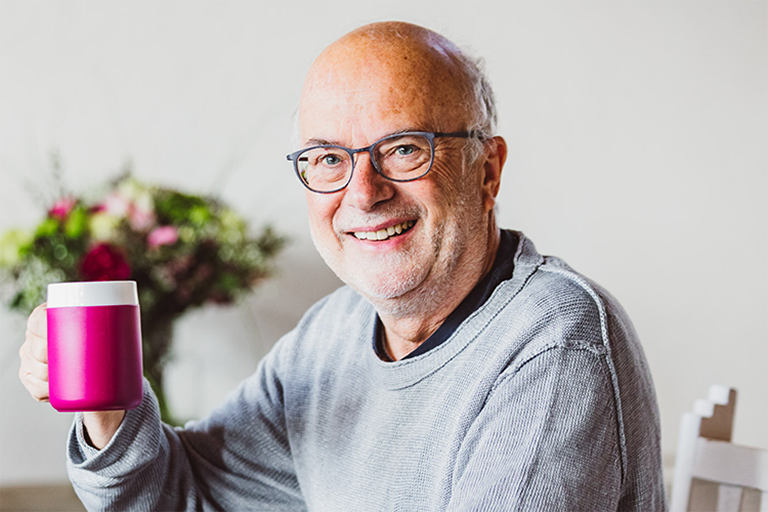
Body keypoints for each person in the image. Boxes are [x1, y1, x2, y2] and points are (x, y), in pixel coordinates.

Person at [18, 21, 667, 511]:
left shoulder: (554, 344)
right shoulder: (330, 337)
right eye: (329, 159)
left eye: (404, 149)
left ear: (487, 170)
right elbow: (179, 495)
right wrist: (104, 400)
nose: (363, 193)